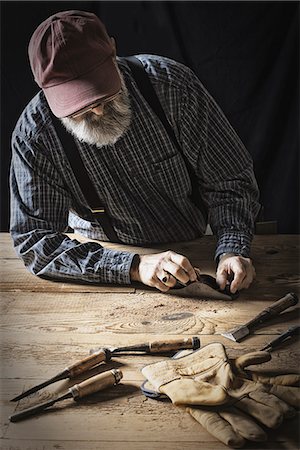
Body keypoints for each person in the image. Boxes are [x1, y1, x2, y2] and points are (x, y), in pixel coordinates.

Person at [10, 10, 260, 294]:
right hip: (99, 264)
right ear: (44, 88)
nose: (98, 110)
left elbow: (230, 180)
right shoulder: (36, 136)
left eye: (104, 93)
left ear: (113, 51)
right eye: (77, 107)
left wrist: (231, 247)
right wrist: (133, 266)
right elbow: (35, 240)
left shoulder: (173, 88)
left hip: (196, 251)